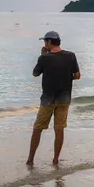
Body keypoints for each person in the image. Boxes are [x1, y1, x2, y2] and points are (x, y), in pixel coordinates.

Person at [26, 31, 81, 166]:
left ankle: (30, 160)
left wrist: (43, 55)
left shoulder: (45, 58)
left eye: (45, 41)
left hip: (48, 99)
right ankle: (55, 160)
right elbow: (78, 75)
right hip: (65, 98)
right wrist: (67, 78)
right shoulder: (71, 55)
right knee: (59, 129)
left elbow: (35, 74)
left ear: (50, 42)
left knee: (37, 129)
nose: (44, 44)